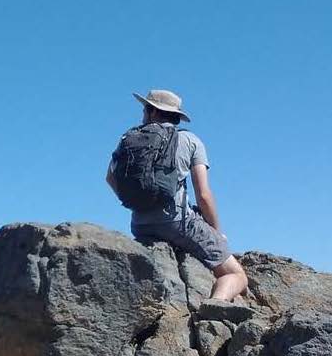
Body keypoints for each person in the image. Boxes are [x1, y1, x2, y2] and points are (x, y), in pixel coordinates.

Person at [106, 89, 248, 302]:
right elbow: (204, 194)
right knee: (235, 274)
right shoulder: (190, 141)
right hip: (176, 222)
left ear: (153, 111)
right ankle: (216, 305)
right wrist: (217, 233)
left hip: (140, 224)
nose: (143, 113)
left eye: (145, 109)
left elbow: (110, 178)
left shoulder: (129, 139)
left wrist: (138, 203)